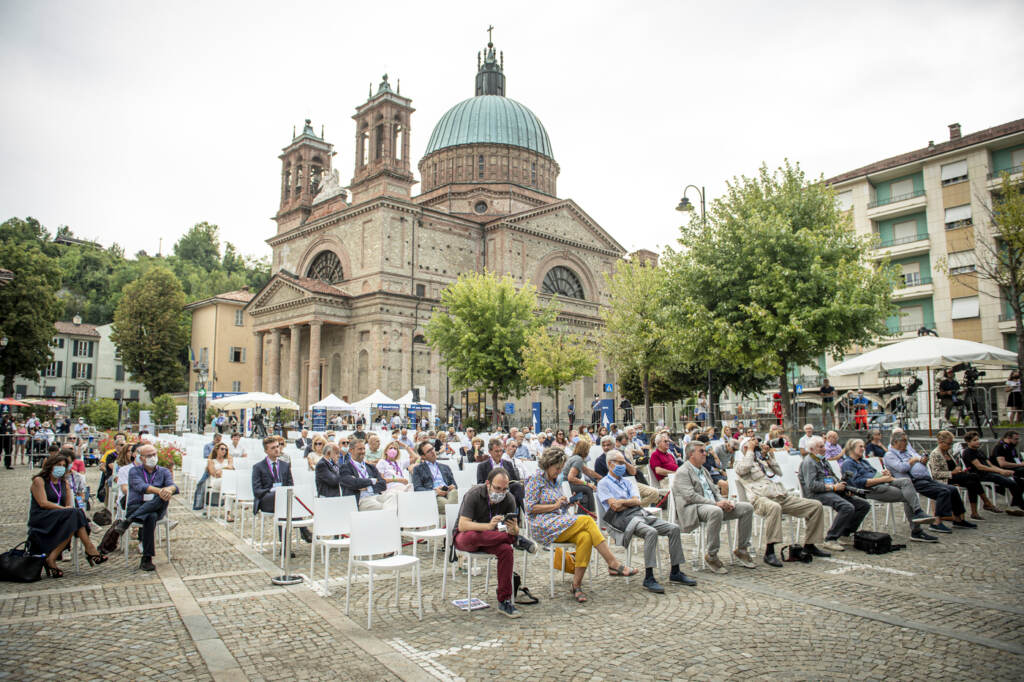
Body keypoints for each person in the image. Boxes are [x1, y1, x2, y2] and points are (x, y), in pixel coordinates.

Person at [525, 447, 638, 603]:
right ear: (547, 464)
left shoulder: (555, 480)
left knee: (585, 537)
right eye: (557, 468)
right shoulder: (535, 479)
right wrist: (554, 506)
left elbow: (558, 505)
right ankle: (612, 562)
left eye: (560, 468)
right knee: (587, 520)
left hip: (557, 522)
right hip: (542, 525)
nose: (559, 471)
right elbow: (530, 508)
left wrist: (566, 503)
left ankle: (576, 585)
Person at [597, 450, 696, 592]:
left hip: (639, 513)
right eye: (620, 463)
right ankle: (649, 577)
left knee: (674, 528)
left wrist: (623, 502)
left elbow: (637, 501)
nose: (623, 465)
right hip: (621, 520)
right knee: (651, 532)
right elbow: (614, 507)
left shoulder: (627, 482)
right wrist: (629, 502)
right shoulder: (603, 483)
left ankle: (675, 571)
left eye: (624, 462)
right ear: (610, 464)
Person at [456, 468, 537, 618]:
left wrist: (513, 529)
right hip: (467, 537)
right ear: (488, 484)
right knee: (473, 536)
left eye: (505, 489)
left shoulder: (509, 498)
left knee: (506, 550)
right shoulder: (474, 494)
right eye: (497, 488)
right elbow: (462, 525)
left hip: (493, 539)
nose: (501, 492)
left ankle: (504, 600)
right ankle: (516, 540)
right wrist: (488, 526)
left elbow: (514, 528)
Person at [735, 437, 828, 567]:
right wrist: (750, 450)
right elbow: (743, 469)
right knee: (774, 507)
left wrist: (768, 456)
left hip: (779, 496)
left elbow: (778, 472)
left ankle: (810, 545)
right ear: (745, 448)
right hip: (760, 499)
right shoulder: (739, 462)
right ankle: (770, 552)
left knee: (815, 506)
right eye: (752, 445)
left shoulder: (761, 461)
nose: (756, 447)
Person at [672, 441, 756, 572]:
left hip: (713, 505)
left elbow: (715, 491)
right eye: (701, 451)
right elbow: (690, 496)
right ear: (691, 454)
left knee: (747, 508)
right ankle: (712, 555)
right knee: (716, 511)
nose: (705, 454)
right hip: (694, 507)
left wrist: (725, 502)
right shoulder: (683, 471)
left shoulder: (703, 470)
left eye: (705, 451)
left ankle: (742, 549)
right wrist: (716, 504)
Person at [28, 452, 107, 577]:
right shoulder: (39, 481)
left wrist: (66, 509)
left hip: (60, 515)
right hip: (43, 516)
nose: (61, 468)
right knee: (74, 516)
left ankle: (52, 558)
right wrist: (63, 509)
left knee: (73, 518)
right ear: (51, 465)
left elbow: (68, 504)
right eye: (58, 465)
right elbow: (43, 503)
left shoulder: (63, 483)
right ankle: (90, 548)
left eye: (63, 466)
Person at [841, 438, 937, 541]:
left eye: (863, 446)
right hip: (870, 489)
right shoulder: (848, 463)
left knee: (906, 481)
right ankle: (917, 530)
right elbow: (858, 483)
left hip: (881, 482)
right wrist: (882, 479)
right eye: (860, 446)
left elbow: (874, 473)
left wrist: (883, 474)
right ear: (852, 448)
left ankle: (918, 513)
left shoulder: (863, 461)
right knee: (908, 496)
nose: (863, 449)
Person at [883, 431, 975, 533]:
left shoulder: (907, 451)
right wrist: (913, 460)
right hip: (912, 481)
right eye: (904, 441)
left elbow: (919, 457)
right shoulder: (890, 455)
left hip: (925, 478)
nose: (906, 443)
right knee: (943, 492)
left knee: (952, 489)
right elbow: (901, 468)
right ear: (896, 442)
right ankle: (936, 522)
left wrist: (922, 459)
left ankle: (958, 520)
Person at [114, 444, 178, 571]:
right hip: (137, 505)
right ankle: (146, 558)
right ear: (141, 458)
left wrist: (169, 490)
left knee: (160, 499)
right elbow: (141, 487)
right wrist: (160, 491)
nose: (153, 458)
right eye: (149, 456)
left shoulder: (164, 471)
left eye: (154, 454)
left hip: (156, 507)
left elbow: (173, 486)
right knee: (151, 515)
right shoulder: (134, 471)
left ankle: (129, 520)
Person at [799, 436, 870, 551]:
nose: (824, 449)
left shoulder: (823, 460)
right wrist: (833, 487)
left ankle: (845, 533)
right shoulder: (809, 462)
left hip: (831, 490)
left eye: (824, 446)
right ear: (812, 449)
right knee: (847, 507)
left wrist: (842, 487)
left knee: (863, 505)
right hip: (816, 493)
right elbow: (812, 485)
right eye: (821, 447)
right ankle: (830, 539)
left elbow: (832, 476)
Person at [927, 430, 999, 520]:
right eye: (949, 444)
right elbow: (935, 474)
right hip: (945, 479)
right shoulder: (936, 454)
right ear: (941, 442)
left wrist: (958, 470)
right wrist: (952, 472)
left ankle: (975, 511)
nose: (950, 446)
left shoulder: (947, 452)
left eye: (951, 444)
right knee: (973, 477)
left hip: (954, 477)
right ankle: (985, 502)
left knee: (972, 482)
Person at [251, 436, 312, 543]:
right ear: (266, 451)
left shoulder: (285, 465)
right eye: (273, 448)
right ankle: (304, 530)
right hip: (266, 499)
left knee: (284, 503)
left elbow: (290, 485)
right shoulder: (258, 467)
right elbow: (256, 491)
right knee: (282, 500)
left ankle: (285, 543)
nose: (277, 449)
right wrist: (271, 490)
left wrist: (281, 493)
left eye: (277, 446)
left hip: (283, 500)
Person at [959, 431, 1024, 515]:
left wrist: (1002, 471)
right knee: (1011, 482)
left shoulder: (979, 451)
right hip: (980, 475)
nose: (977, 442)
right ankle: (1018, 505)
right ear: (968, 442)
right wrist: (1000, 471)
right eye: (974, 440)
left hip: (989, 473)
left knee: (1019, 481)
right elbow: (980, 466)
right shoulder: (968, 452)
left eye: (978, 439)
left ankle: (1015, 505)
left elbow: (990, 465)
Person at [594, 435, 664, 507]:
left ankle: (636, 507)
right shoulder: (599, 461)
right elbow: (599, 480)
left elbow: (633, 472)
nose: (606, 447)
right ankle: (634, 508)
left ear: (613, 445)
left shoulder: (620, 455)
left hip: (629, 482)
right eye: (603, 445)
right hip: (614, 486)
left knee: (654, 493)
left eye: (608, 445)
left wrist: (624, 462)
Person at [338, 439, 399, 510]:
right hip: (361, 499)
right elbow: (354, 483)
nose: (363, 451)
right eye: (360, 449)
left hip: (376, 495)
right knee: (381, 507)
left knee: (393, 497)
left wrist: (367, 488)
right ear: (351, 450)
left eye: (364, 449)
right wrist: (372, 480)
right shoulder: (345, 467)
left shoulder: (371, 467)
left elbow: (383, 485)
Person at [411, 440, 458, 513]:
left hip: (449, 493)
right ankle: (454, 511)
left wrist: (452, 487)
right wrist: (434, 492)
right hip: (435, 496)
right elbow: (417, 488)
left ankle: (452, 512)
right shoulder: (418, 469)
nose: (432, 451)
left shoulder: (446, 467)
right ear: (423, 456)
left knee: (454, 492)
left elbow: (455, 485)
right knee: (449, 505)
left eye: (432, 448)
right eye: (429, 451)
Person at [477, 437, 524, 508]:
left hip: (507, 489)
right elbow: (480, 483)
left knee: (517, 486)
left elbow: (514, 480)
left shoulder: (508, 464)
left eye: (501, 451)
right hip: (492, 490)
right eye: (496, 451)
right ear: (490, 452)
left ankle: (522, 511)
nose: (499, 454)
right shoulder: (482, 466)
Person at [558, 440, 601, 514]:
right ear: (585, 450)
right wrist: (587, 483)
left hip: (567, 484)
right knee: (588, 489)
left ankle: (582, 515)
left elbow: (588, 471)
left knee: (584, 497)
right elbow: (571, 478)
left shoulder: (575, 458)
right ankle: (592, 512)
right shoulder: (578, 460)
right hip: (568, 485)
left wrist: (600, 477)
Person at [205, 442, 235, 521]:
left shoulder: (228, 459)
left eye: (226, 449)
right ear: (217, 450)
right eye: (222, 449)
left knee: (229, 490)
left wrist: (221, 470)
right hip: (215, 482)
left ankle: (227, 514)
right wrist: (226, 470)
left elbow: (231, 468)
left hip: (226, 481)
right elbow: (214, 473)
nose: (224, 451)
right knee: (228, 485)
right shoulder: (211, 461)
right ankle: (231, 499)